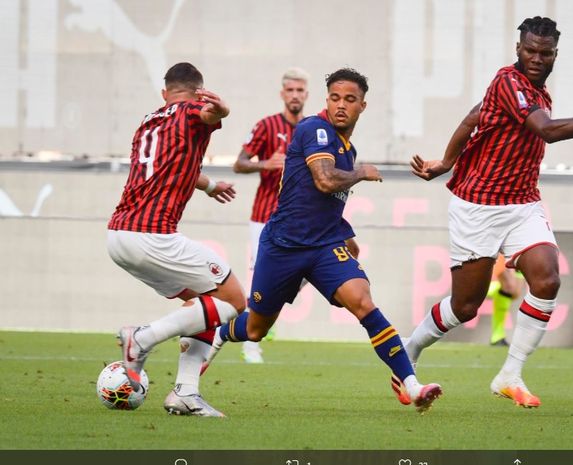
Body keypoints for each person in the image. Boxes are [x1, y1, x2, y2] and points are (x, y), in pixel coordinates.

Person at [402, 16, 573, 408]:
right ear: (518, 49)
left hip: (522, 203)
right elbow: (546, 130)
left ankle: (510, 374)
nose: (536, 58)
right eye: (530, 50)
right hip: (479, 205)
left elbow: (473, 117)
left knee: (548, 279)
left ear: (555, 54)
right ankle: (408, 352)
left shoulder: (537, 90)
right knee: (465, 307)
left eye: (544, 52)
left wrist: (446, 161)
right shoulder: (509, 82)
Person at [205, 68, 442, 413]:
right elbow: (325, 181)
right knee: (255, 328)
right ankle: (217, 334)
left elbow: (327, 200)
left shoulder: (348, 147)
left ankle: (412, 385)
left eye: (349, 99)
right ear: (326, 100)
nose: (341, 105)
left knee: (364, 304)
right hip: (283, 245)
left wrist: (346, 235)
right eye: (334, 98)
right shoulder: (313, 128)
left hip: (323, 247)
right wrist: (361, 173)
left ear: (363, 105)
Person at [107, 62, 247, 417]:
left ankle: (186, 393)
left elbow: (174, 164)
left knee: (205, 303)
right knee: (233, 299)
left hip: (119, 236)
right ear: (199, 91)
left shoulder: (149, 122)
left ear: (164, 92)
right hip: (152, 234)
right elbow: (205, 114)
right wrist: (221, 111)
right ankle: (142, 338)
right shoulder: (190, 111)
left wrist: (211, 185)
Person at [233, 67, 311, 364]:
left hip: (300, 218)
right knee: (260, 277)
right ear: (282, 94)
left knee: (305, 272)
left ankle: (267, 312)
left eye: (300, 90)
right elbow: (239, 164)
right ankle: (251, 344)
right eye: (290, 90)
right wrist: (265, 164)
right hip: (265, 216)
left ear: (306, 94)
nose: (295, 95)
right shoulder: (266, 126)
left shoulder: (313, 128)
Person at [487, 256, 524, 346]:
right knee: (508, 286)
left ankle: (473, 291)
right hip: (502, 247)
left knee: (514, 293)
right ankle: (497, 336)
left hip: (522, 250)